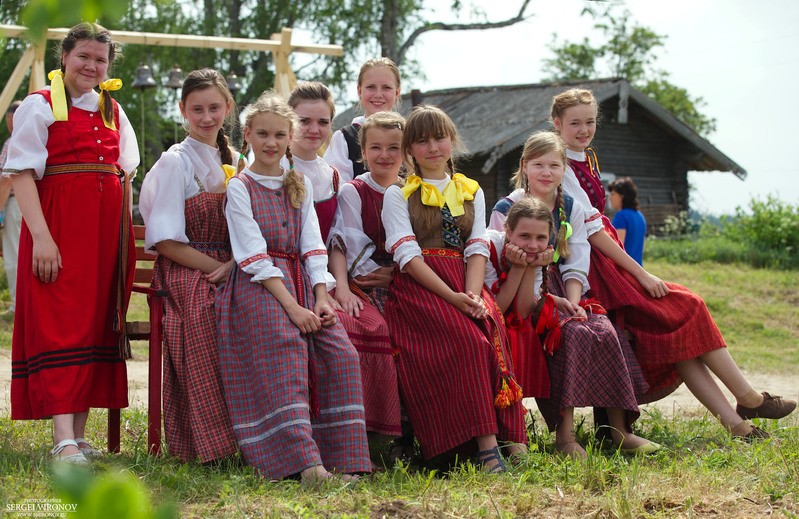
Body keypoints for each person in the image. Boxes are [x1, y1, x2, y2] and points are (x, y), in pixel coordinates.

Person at [550, 88, 795, 439]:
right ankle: (749, 397)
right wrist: (640, 271)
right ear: (557, 123)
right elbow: (591, 230)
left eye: (590, 122)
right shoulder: (562, 165)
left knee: (679, 339)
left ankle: (738, 425)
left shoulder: (586, 157)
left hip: (607, 257)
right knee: (688, 306)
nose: (584, 129)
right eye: (575, 123)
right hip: (595, 263)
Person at [215, 91, 370, 482]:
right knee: (286, 348)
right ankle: (304, 465)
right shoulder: (240, 186)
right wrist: (294, 308)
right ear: (247, 134)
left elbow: (313, 244)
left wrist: (321, 297)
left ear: (289, 138)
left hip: (302, 282)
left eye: (279, 135)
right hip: (261, 286)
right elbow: (251, 254)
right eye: (262, 134)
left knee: (341, 353)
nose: (271, 143)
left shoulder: (297, 182)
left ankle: (345, 461)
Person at [2, 22, 139, 463]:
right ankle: (62, 438)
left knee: (93, 323)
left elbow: (127, 172)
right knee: (62, 321)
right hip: (59, 229)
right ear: (65, 57)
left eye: (100, 59)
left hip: (104, 235)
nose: (91, 65)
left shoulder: (113, 110)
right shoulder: (39, 106)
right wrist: (41, 237)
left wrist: (122, 239)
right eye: (84, 55)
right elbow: (21, 173)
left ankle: (79, 437)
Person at [489, 133, 658, 458]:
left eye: (554, 165)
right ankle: (565, 435)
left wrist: (575, 301)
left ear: (564, 168)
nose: (546, 172)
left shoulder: (570, 207)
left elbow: (577, 260)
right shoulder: (507, 208)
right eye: (538, 164)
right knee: (566, 334)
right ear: (525, 166)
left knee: (605, 330)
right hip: (521, 286)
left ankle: (619, 430)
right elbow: (501, 255)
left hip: (564, 288)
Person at [381, 105, 527, 473]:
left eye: (439, 138)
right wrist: (454, 298)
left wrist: (475, 296)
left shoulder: (471, 191)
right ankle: (485, 447)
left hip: (466, 280)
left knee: (491, 327)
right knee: (471, 342)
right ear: (410, 149)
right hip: (422, 288)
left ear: (452, 141)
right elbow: (407, 256)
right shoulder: (398, 195)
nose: (433, 147)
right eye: (422, 140)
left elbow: (477, 245)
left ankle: (512, 440)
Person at [138, 68, 238, 463]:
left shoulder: (240, 160)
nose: (207, 117)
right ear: (183, 110)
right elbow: (164, 240)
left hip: (233, 262)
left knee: (264, 309)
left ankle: (262, 434)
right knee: (206, 311)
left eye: (214, 107)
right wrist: (220, 266)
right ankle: (212, 442)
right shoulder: (174, 162)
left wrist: (236, 264)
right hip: (186, 267)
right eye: (197, 109)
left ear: (227, 108)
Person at [327, 112, 406, 454]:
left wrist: (401, 273)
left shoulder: (412, 192)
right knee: (380, 330)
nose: (384, 155)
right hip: (370, 282)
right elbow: (351, 244)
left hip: (408, 279)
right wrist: (389, 275)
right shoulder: (354, 191)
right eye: (375, 147)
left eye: (393, 148)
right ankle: (379, 436)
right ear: (362, 150)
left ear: (406, 153)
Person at [324, 58, 401, 183]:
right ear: (359, 91)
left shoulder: (409, 136)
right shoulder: (344, 138)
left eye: (386, 87)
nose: (378, 94)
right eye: (371, 87)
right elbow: (337, 190)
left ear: (397, 92)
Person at [285, 81, 340, 242]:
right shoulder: (274, 168)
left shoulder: (332, 176)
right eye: (305, 121)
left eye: (323, 122)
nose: (314, 130)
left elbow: (335, 237)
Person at [0, 100, 22, 314]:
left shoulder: (13, 141)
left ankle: (18, 304)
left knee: (14, 256)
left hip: (14, 203)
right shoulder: (37, 138)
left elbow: (7, 179)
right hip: (30, 205)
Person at [608, 176, 646, 266]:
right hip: (638, 269)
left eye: (613, 194)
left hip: (624, 271)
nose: (610, 198)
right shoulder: (640, 216)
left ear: (622, 196)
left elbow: (617, 248)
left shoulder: (621, 216)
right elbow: (642, 247)